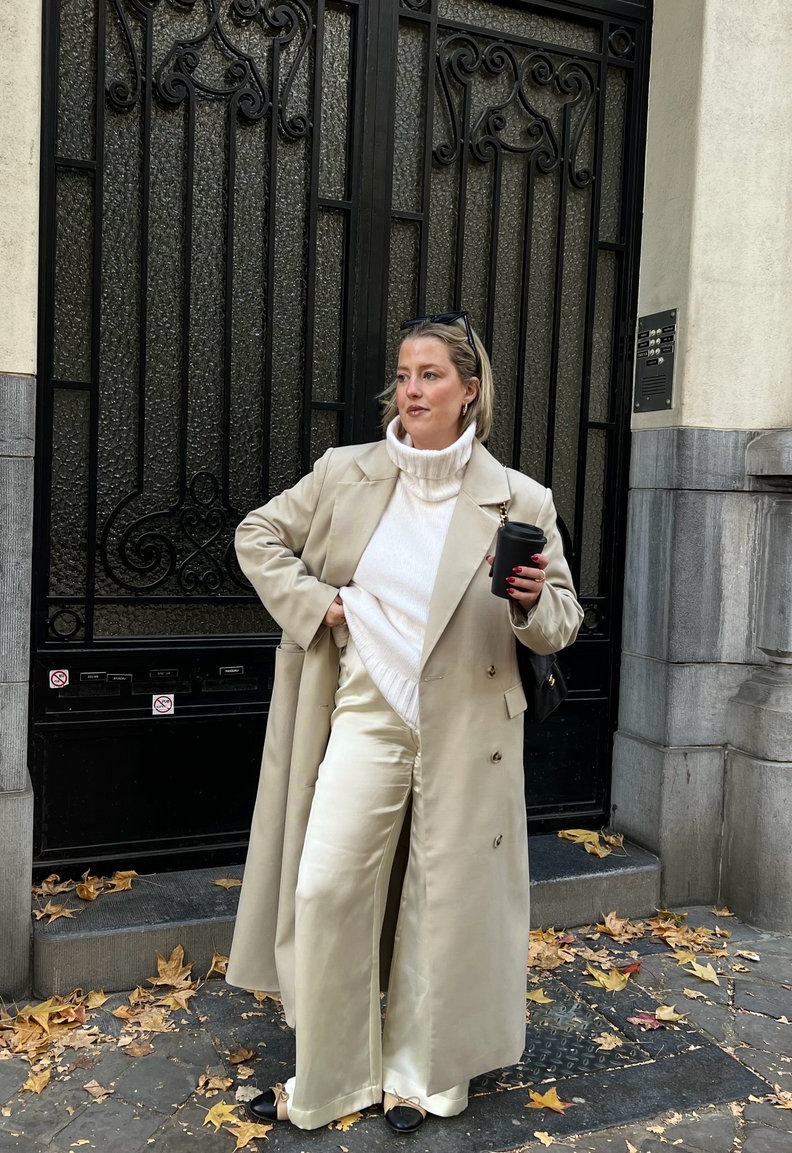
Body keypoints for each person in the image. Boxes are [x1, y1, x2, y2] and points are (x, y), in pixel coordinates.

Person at [225, 311, 583, 1132]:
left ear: (469, 389)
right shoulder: (346, 472)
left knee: (440, 899)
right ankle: (331, 1078)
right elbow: (258, 534)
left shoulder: (520, 497)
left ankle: (422, 1077)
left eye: (431, 375)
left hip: (470, 725)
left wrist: (532, 601)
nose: (411, 389)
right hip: (367, 707)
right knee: (325, 884)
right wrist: (319, 604)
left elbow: (562, 620)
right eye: (404, 374)